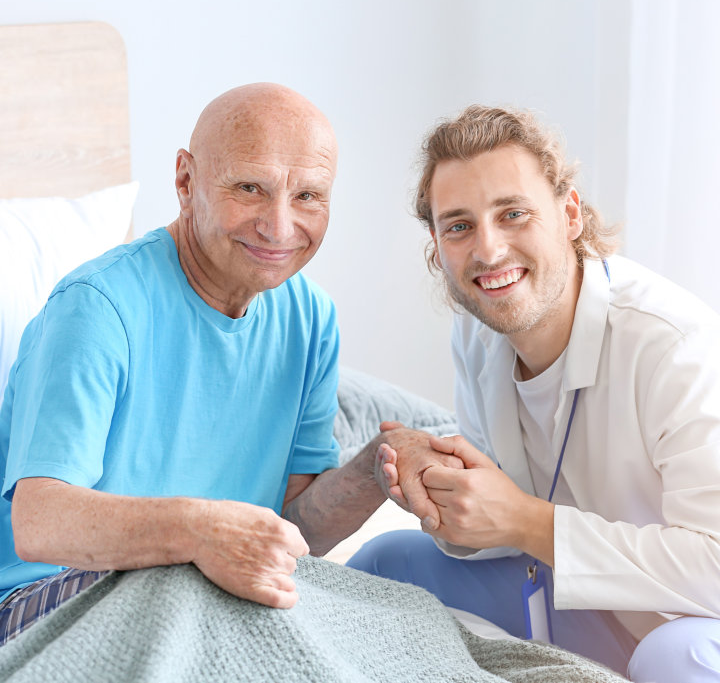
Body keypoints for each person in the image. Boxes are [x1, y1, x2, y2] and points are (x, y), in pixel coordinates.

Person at [0, 83, 399, 646]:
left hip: (205, 596)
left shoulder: (311, 318)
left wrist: (376, 471)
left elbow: (294, 526)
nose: (281, 227)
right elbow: (39, 523)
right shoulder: (97, 308)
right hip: (40, 598)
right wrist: (199, 532)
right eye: (249, 188)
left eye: (308, 196)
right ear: (186, 182)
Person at [348, 105, 720, 682]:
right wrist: (443, 491)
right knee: (384, 563)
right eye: (459, 225)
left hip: (691, 621)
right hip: (586, 600)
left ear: (569, 213)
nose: (489, 251)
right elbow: (501, 514)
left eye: (513, 213)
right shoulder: (478, 331)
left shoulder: (673, 346)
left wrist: (525, 521)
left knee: (674, 659)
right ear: (437, 243)